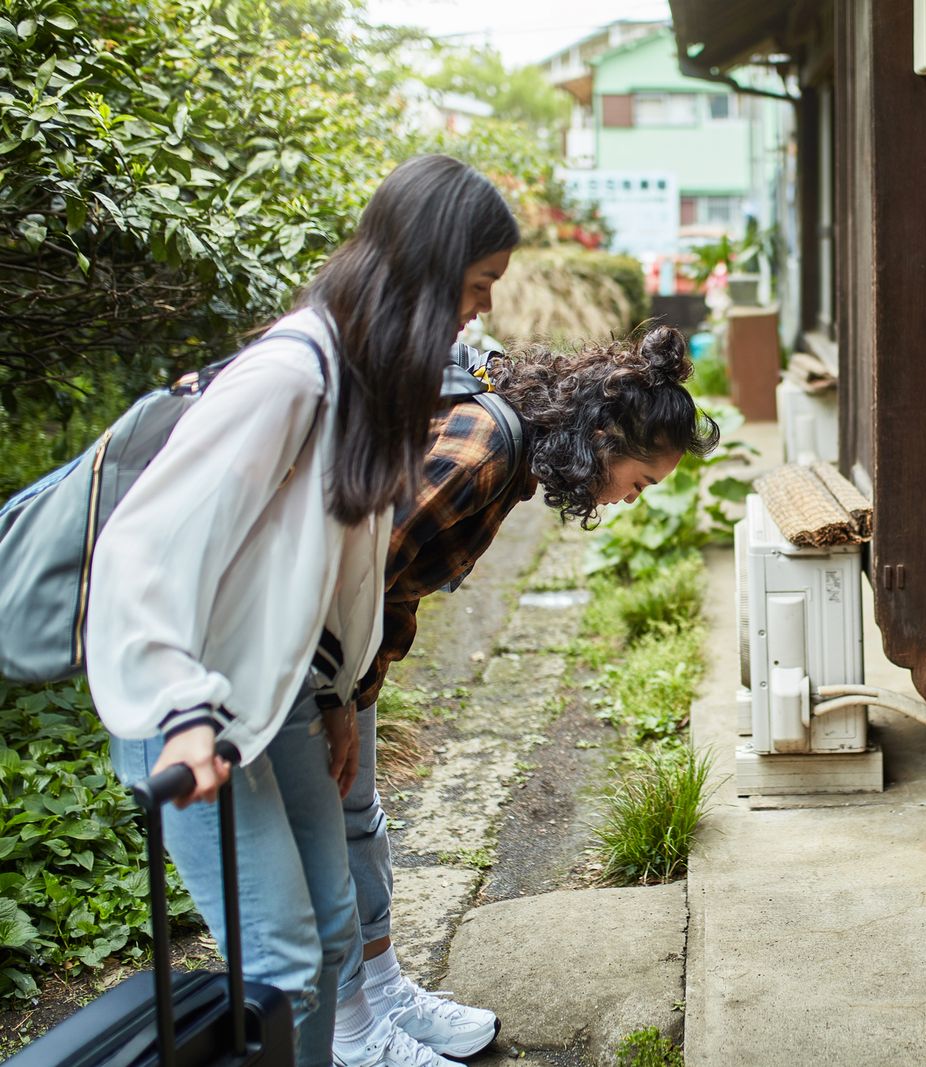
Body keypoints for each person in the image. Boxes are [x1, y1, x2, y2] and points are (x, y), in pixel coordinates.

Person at [88, 154, 519, 1067]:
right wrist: (178, 716)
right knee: (284, 957)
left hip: (280, 694)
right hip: (192, 707)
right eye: (477, 286)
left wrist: (337, 699)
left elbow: (331, 575)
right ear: (429, 267)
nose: (481, 310)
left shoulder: (366, 384)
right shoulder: (290, 377)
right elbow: (142, 551)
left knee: (329, 936)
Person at [332, 326, 720, 1060]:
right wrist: (331, 703)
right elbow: (343, 574)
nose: (630, 501)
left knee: (358, 824)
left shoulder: (513, 454)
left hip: (349, 665)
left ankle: (381, 993)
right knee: (327, 839)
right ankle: (350, 1034)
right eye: (639, 482)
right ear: (604, 439)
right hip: (309, 667)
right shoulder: (485, 447)